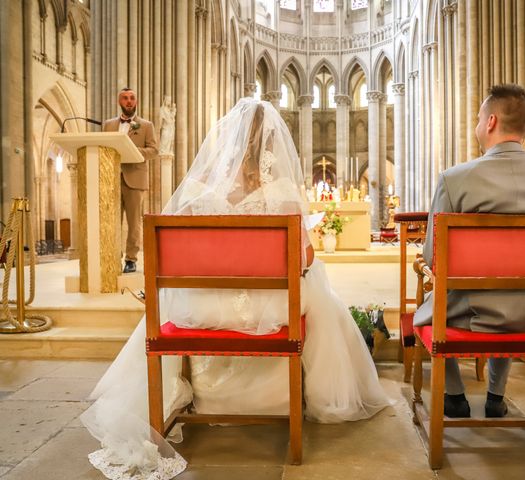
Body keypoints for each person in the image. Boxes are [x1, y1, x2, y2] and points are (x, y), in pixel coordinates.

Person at [81, 98, 391, 480]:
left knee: (171, 304)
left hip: (207, 309)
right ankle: (301, 398)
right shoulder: (283, 195)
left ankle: (193, 396)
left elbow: (179, 256)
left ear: (228, 140)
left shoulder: (200, 193)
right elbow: (305, 258)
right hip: (272, 312)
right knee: (321, 297)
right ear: (275, 144)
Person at [413, 84, 525, 419]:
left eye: (476, 119)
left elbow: (433, 259)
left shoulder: (454, 179)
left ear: (490, 122)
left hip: (478, 314)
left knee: (435, 306)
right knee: (510, 284)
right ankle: (494, 397)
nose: (475, 126)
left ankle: (455, 396)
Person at [103, 88, 158, 273]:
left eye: (132, 98)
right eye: (125, 98)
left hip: (135, 178)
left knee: (134, 223)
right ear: (119, 101)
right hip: (111, 179)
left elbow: (154, 150)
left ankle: (131, 259)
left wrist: (133, 151)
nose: (129, 101)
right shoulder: (108, 125)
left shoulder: (146, 125)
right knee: (111, 221)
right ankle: (112, 256)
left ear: (136, 101)